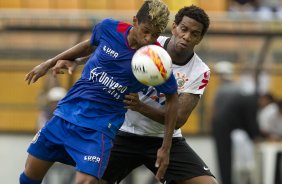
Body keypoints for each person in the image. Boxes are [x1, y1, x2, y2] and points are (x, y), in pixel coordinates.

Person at [39, 5, 218, 184]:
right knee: (89, 181)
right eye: (184, 29)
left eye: (194, 34)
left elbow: (178, 119)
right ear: (174, 28)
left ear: (200, 38)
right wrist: (76, 61)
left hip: (161, 140)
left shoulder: (200, 71)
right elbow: (108, 50)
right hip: (122, 132)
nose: (186, 37)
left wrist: (141, 108)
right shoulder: (149, 42)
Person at [20, 1, 179, 184]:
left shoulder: (156, 58)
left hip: (98, 129)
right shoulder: (111, 27)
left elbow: (173, 98)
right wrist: (51, 63)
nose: (148, 39)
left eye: (155, 35)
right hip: (66, 114)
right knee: (29, 175)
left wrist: (166, 146)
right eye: (146, 31)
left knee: (86, 182)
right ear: (135, 21)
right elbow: (89, 45)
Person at [211, 61, 261, 184]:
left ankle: (227, 181)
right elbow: (248, 118)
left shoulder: (220, 90)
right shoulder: (238, 88)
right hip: (232, 124)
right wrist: (254, 135)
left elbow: (214, 110)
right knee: (245, 157)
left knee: (224, 157)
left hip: (222, 124)